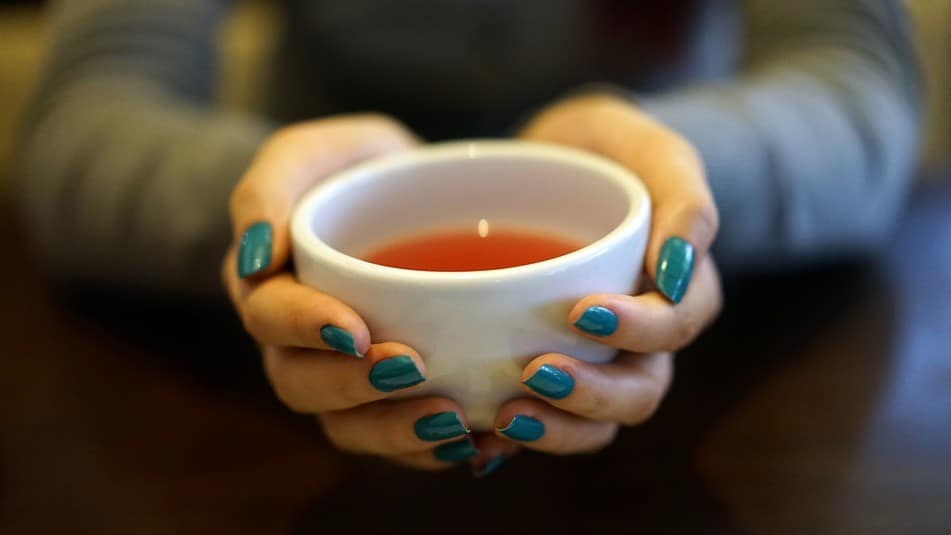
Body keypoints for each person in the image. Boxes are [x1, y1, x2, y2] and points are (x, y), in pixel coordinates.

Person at [16, 0, 921, 475]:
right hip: (272, 392)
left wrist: (671, 185)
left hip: (711, 395)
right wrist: (282, 210)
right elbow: (81, 115)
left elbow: (862, 84)